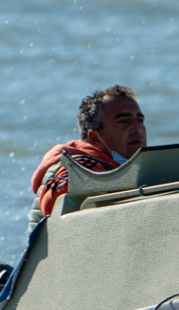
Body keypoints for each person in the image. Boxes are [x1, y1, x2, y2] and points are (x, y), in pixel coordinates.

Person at [29, 86, 148, 228]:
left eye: (140, 120)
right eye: (123, 121)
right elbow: (52, 201)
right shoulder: (80, 165)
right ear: (94, 138)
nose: (138, 128)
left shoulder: (133, 169)